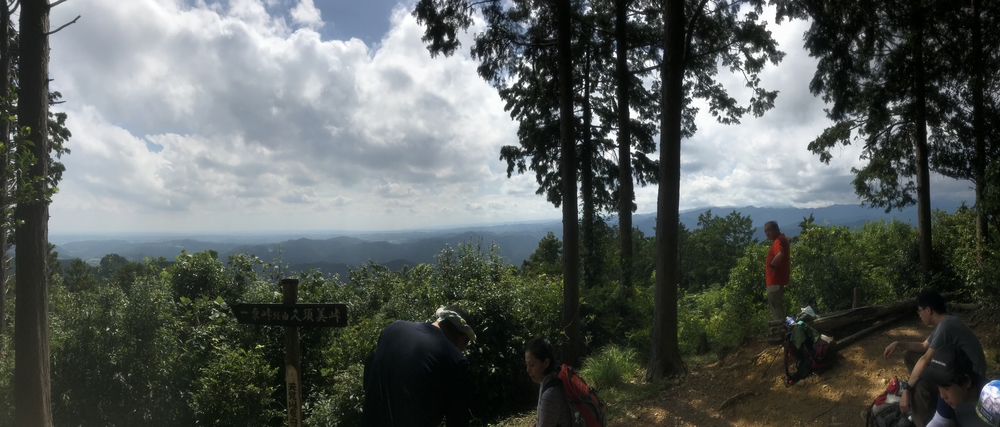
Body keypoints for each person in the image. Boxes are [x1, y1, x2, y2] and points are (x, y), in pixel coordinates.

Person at [883, 289, 987, 427]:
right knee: (909, 355)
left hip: (968, 378)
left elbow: (925, 359)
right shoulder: (946, 321)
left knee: (919, 388)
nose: (919, 315)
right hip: (953, 368)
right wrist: (898, 344)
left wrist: (907, 389)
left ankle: (925, 420)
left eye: (919, 311)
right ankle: (925, 396)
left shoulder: (946, 326)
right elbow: (923, 346)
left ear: (928, 310)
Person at [361, 305, 478, 427]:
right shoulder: (455, 358)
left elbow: (371, 368)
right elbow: (457, 419)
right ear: (463, 339)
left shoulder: (393, 328)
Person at [922, 344, 991, 427]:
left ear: (966, 381)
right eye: (938, 387)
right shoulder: (948, 398)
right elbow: (939, 423)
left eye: (946, 387)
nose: (942, 395)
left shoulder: (992, 399)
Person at [524, 338, 572, 427]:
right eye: (527, 364)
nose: (528, 370)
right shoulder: (553, 378)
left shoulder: (550, 394)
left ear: (546, 363)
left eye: (532, 365)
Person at [764, 221, 790, 321]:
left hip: (775, 280)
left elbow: (780, 253)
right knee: (778, 306)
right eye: (765, 231)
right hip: (777, 280)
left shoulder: (778, 241)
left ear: (776, 229)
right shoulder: (781, 239)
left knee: (775, 306)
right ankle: (784, 328)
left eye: (769, 230)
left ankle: (779, 330)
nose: (767, 233)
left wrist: (772, 264)